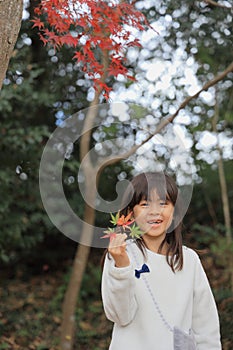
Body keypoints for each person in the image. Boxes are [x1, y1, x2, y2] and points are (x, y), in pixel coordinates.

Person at [101, 172, 222, 350]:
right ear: (131, 213)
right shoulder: (121, 255)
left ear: (174, 212)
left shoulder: (189, 260)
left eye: (163, 203)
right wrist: (122, 267)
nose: (155, 211)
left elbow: (205, 326)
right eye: (145, 204)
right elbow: (121, 316)